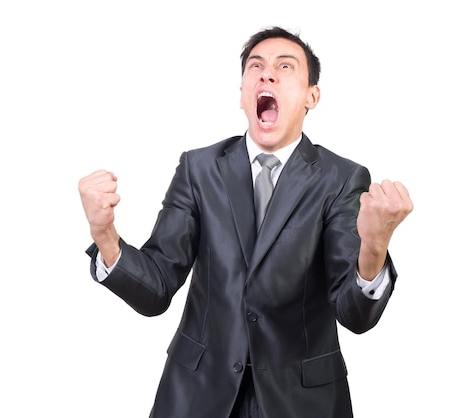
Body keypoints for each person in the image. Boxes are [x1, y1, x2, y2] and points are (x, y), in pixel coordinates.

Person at [78, 26, 413, 418]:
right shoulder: (198, 169)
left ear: (311, 96)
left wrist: (374, 248)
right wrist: (105, 236)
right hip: (198, 394)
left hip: (301, 401)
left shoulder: (341, 178)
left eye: (284, 67)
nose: (267, 74)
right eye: (256, 66)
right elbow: (156, 288)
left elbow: (354, 314)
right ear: (242, 93)